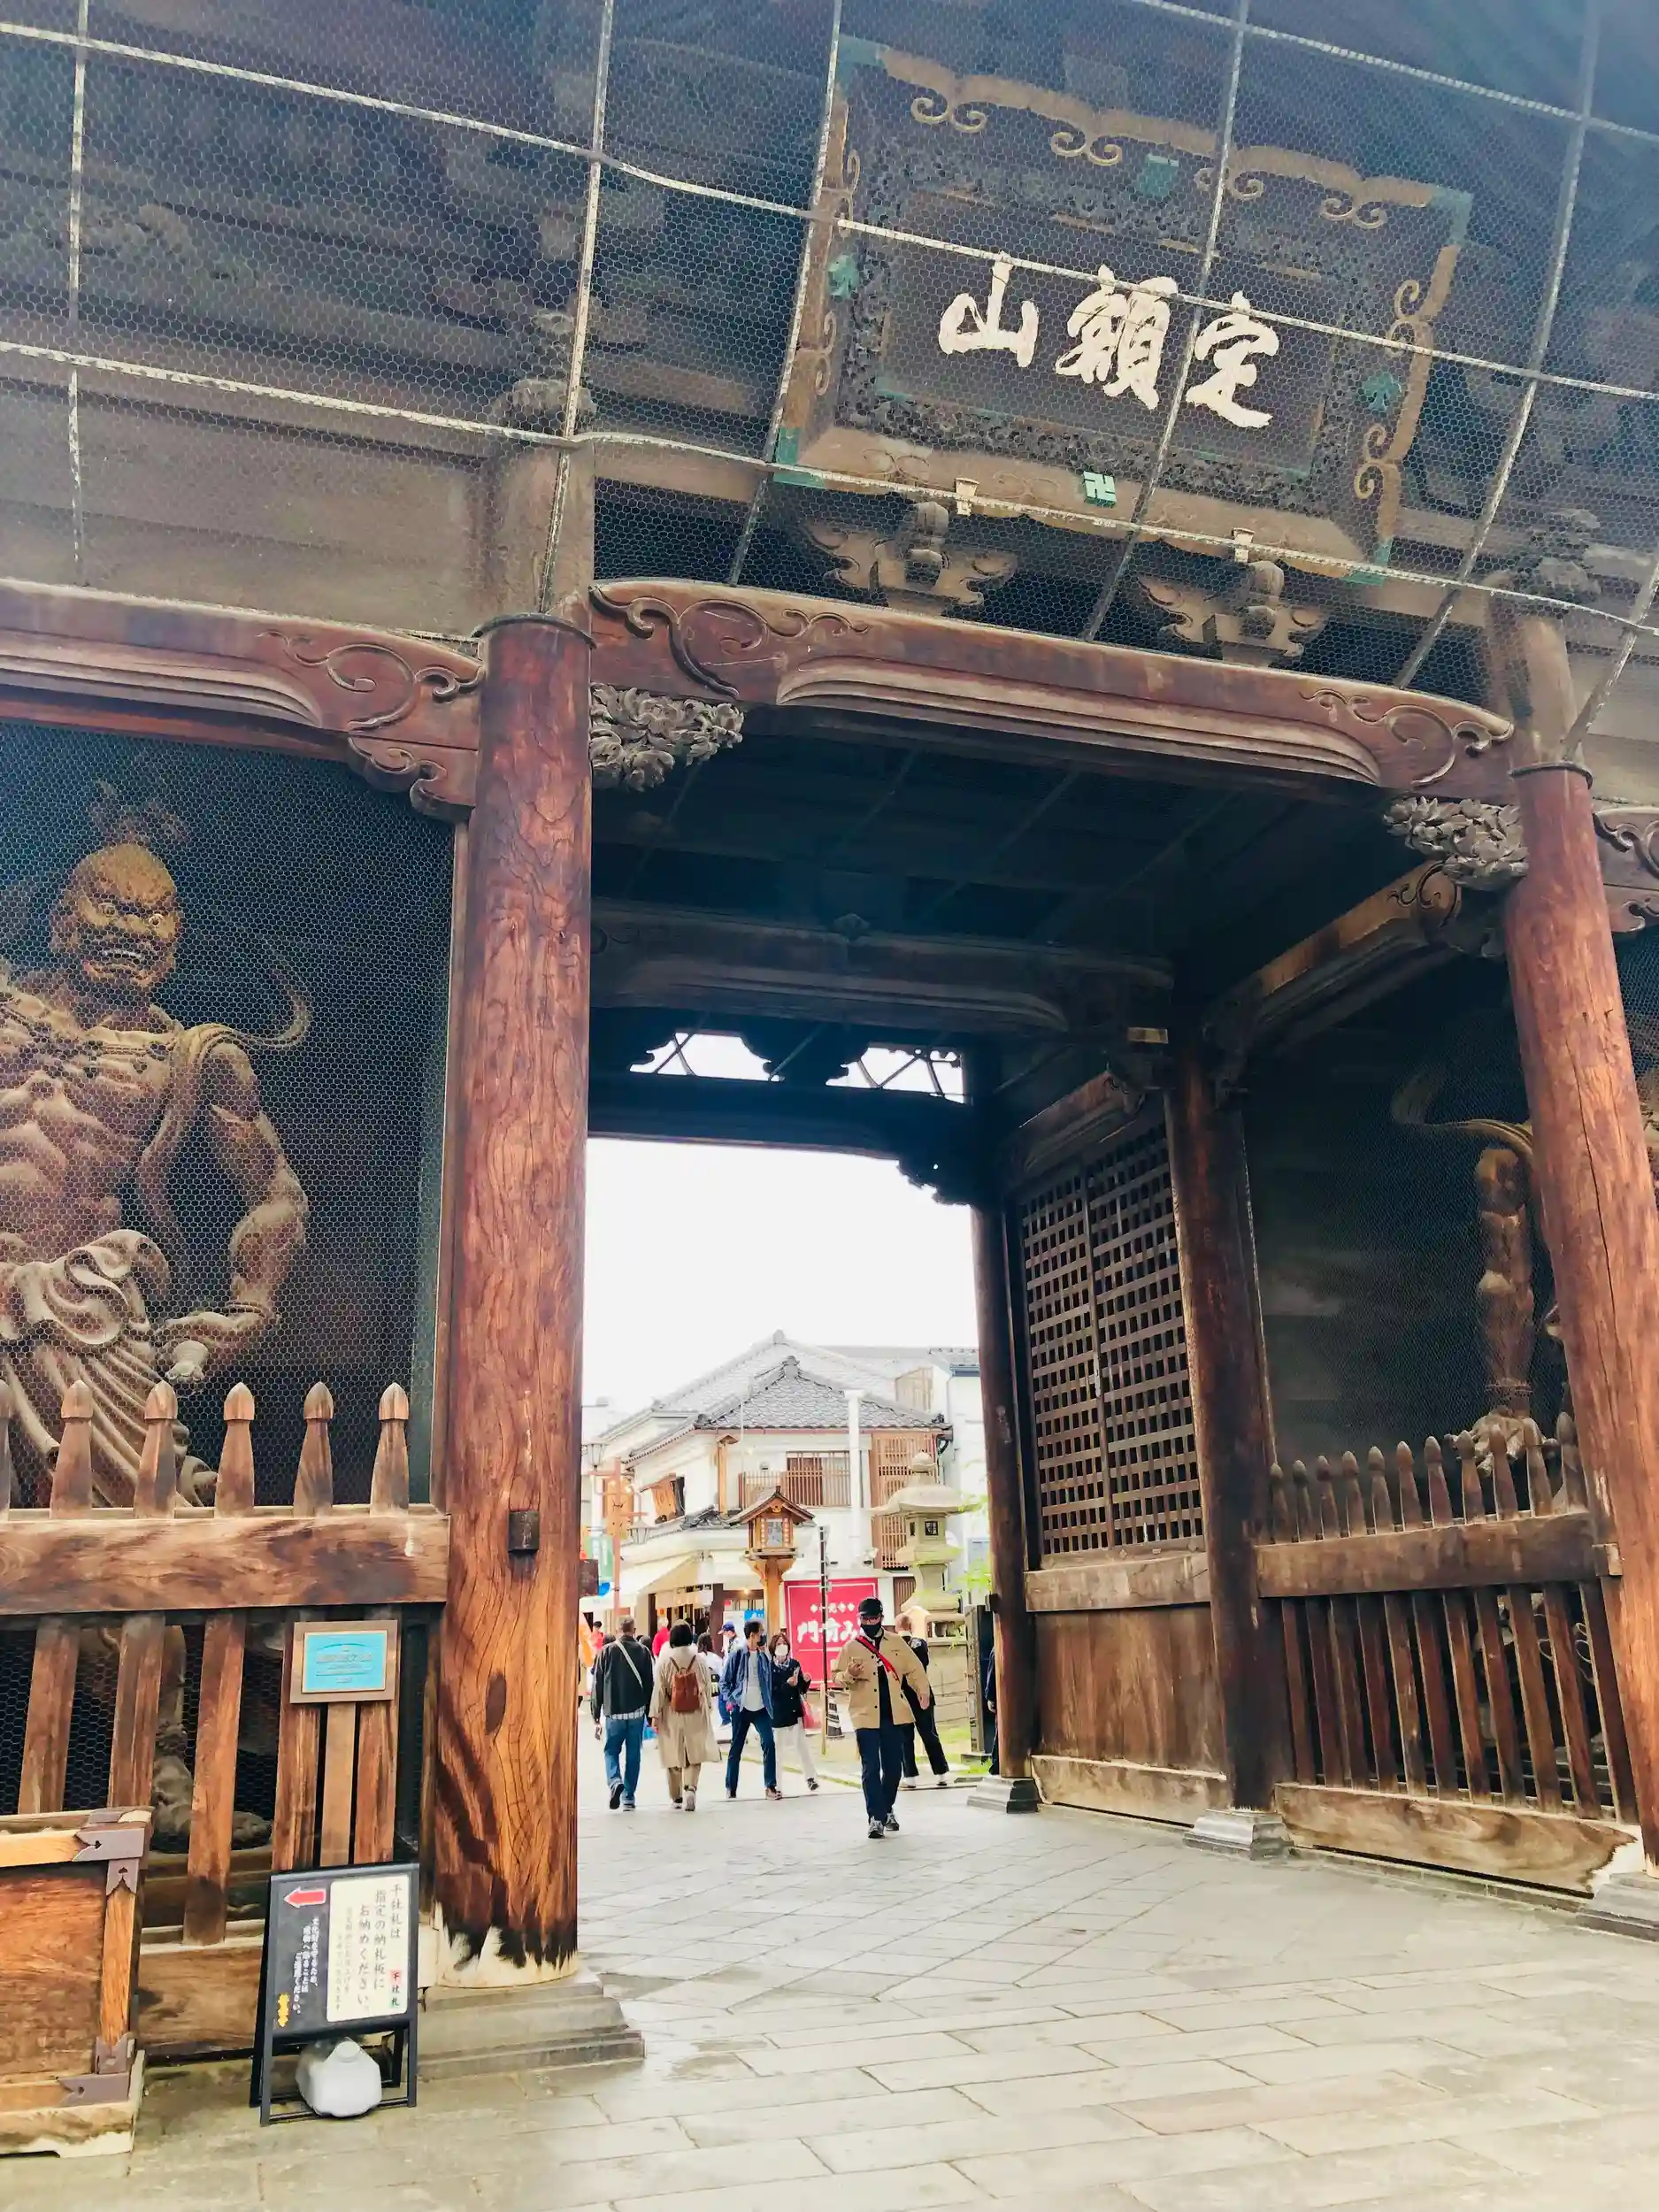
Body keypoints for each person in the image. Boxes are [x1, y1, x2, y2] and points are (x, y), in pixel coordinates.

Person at [835, 1594, 932, 1839]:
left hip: (894, 1715)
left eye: (874, 1618)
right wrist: (849, 1673)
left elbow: (915, 1668)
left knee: (893, 1768)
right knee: (871, 1768)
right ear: (859, 1619)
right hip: (864, 1715)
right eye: (865, 1619)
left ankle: (886, 1809)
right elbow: (836, 1677)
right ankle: (875, 1819)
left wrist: (922, 1691)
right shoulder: (851, 1647)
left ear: (881, 1618)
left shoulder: (896, 1642)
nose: (869, 1623)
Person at [650, 1621, 719, 1810]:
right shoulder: (699, 1660)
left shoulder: (665, 1660)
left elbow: (659, 1690)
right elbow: (706, 1687)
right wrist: (708, 1707)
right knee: (694, 1753)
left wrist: (655, 1714)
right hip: (695, 1712)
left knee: (673, 1753)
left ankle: (676, 1796)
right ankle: (690, 1788)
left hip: (672, 1713)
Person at [591, 1615, 654, 1809]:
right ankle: (628, 1797)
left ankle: (615, 1781)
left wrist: (595, 1714)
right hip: (636, 1713)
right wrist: (650, 1714)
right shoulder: (644, 1652)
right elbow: (649, 1685)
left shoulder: (606, 1652)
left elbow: (597, 1685)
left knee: (611, 1751)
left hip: (614, 1712)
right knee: (633, 1754)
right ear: (634, 1631)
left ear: (617, 1630)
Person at [720, 1618, 781, 1800]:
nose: (763, 1636)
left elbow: (770, 1681)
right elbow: (724, 1682)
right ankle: (731, 1787)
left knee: (769, 1743)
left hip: (761, 1708)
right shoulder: (738, 1654)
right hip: (741, 1708)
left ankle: (770, 1786)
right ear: (753, 1635)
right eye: (761, 1633)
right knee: (736, 1748)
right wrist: (732, 1700)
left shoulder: (763, 1657)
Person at [896, 1620, 952, 1789]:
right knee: (930, 1734)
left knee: (905, 1738)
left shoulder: (894, 1645)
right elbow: (923, 1664)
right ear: (911, 1627)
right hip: (923, 1694)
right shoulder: (920, 1644)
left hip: (903, 1696)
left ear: (897, 1627)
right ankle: (941, 1774)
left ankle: (910, 1777)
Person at [769, 1631, 819, 1793]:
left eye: (784, 1643)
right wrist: (787, 1684)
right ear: (773, 1647)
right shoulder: (769, 1667)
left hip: (794, 1712)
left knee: (802, 1747)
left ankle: (811, 1778)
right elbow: (771, 1691)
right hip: (778, 1714)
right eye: (778, 1644)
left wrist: (806, 1681)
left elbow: (801, 1689)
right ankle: (775, 1784)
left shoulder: (794, 1664)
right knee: (778, 1752)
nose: (782, 1646)